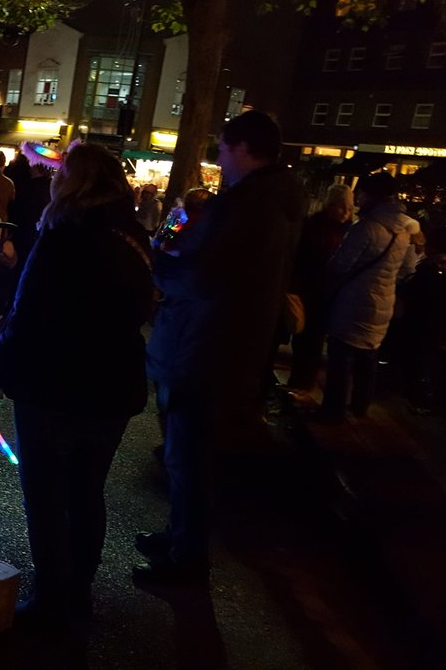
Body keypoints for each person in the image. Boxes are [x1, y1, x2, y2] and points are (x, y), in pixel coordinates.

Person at [0, 143, 153, 629]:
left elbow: (27, 319)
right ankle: (80, 589)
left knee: (47, 496)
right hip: (113, 389)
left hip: (55, 389)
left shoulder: (63, 237)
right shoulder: (135, 236)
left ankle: (53, 596)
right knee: (86, 492)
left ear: (73, 183)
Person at [140, 111, 306, 585]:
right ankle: (178, 537)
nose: (219, 159)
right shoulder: (278, 203)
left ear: (244, 149)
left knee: (187, 456)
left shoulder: (245, 208)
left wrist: (163, 265)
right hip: (231, 346)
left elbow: (205, 277)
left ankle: (185, 559)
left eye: (224, 149)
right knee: (192, 453)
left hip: (205, 346)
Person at [317, 172, 413, 421]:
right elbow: (405, 268)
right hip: (384, 301)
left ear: (373, 196)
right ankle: (360, 406)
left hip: (353, 302)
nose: (359, 197)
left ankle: (333, 411)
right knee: (368, 356)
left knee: (340, 358)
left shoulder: (367, 228)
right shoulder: (404, 230)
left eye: (362, 192)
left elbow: (340, 265)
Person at [287, 184, 355, 391]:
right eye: (341, 207)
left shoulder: (351, 231)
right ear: (330, 205)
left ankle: (303, 380)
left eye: (349, 208)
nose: (345, 213)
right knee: (305, 337)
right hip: (310, 290)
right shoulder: (314, 226)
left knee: (314, 339)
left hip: (328, 293)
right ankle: (300, 379)